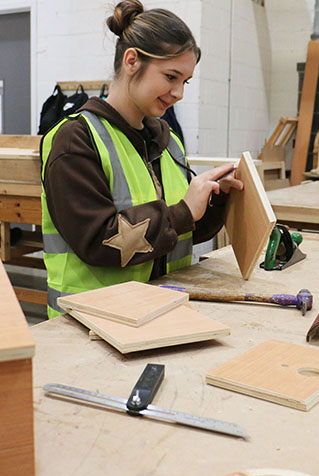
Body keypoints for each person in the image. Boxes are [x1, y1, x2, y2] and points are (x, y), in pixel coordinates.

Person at [40, 0, 243, 318]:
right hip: (91, 323)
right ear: (132, 61)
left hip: (157, 312)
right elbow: (100, 241)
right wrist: (183, 212)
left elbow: (176, 233)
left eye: (185, 81)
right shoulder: (75, 139)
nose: (179, 93)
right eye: (171, 77)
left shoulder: (168, 141)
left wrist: (215, 200)